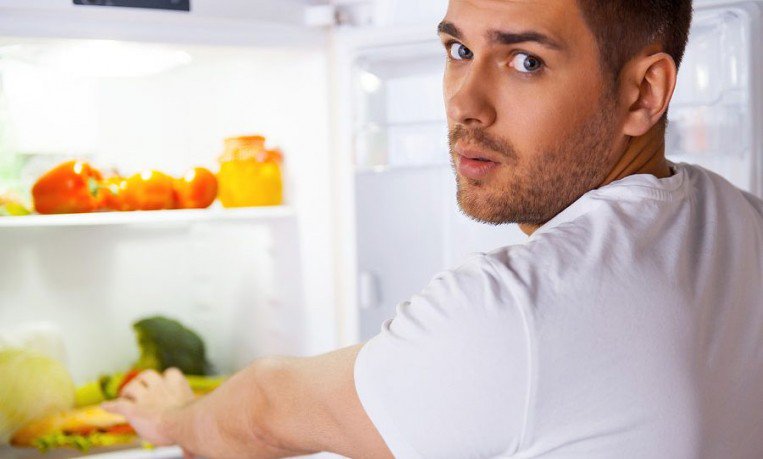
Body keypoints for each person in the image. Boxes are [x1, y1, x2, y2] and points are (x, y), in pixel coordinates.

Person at [104, 0, 763, 457]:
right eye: (458, 49)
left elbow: (266, 409)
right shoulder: (744, 218)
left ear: (643, 92)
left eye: (525, 60)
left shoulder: (516, 309)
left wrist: (175, 419)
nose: (462, 102)